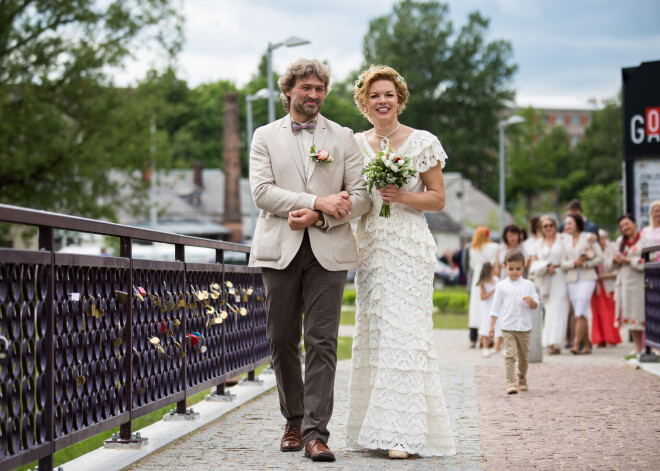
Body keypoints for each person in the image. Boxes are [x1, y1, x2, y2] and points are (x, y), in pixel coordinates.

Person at [249, 59, 371, 462]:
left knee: (322, 341)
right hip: (278, 249)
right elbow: (262, 193)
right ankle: (294, 421)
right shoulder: (264, 136)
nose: (313, 95)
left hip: (328, 249)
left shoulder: (343, 137)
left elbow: (362, 196)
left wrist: (320, 216)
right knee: (282, 338)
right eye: (306, 88)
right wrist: (315, 200)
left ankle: (317, 432)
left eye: (319, 88)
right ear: (288, 91)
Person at [346, 64, 455, 460]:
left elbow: (438, 198)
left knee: (405, 336)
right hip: (371, 248)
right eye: (374, 95)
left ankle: (402, 435)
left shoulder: (422, 142)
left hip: (408, 247)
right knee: (376, 335)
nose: (382, 101)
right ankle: (375, 428)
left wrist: (401, 196)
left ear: (400, 99)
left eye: (389, 94)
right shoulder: (355, 144)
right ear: (364, 102)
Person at [489, 249, 539, 394]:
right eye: (511, 269)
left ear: (523, 268)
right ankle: (510, 382)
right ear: (505, 267)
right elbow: (495, 307)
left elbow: (536, 304)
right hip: (508, 326)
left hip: (524, 327)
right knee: (510, 354)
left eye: (518, 269)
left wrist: (532, 302)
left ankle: (522, 378)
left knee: (523, 356)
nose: (514, 272)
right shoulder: (501, 286)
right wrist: (492, 326)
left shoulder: (529, 285)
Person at [560, 213, 603, 355]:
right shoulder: (564, 240)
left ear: (577, 224)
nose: (567, 226)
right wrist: (573, 263)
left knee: (580, 309)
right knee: (582, 312)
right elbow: (562, 263)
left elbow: (600, 257)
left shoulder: (589, 237)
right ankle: (587, 347)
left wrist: (585, 264)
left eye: (569, 223)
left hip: (587, 278)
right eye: (566, 224)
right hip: (572, 280)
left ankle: (576, 344)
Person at [529, 215, 569, 355]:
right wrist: (546, 266)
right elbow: (533, 263)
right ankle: (547, 342)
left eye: (551, 225)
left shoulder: (563, 239)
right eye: (545, 226)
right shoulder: (538, 243)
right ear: (541, 228)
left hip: (560, 275)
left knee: (559, 307)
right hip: (545, 277)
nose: (548, 228)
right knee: (548, 309)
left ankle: (556, 342)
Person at [612, 214, 647, 356]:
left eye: (627, 224)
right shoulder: (620, 241)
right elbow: (611, 264)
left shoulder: (645, 241)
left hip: (640, 282)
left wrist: (628, 260)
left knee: (642, 314)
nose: (625, 228)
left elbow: (648, 263)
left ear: (634, 223)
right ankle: (638, 347)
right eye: (622, 226)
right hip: (624, 283)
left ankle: (650, 348)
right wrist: (616, 260)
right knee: (630, 315)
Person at [467, 226, 499, 347]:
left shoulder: (473, 249)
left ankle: (474, 338)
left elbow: (472, 265)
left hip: (478, 277)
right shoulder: (494, 247)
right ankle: (486, 336)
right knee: (490, 306)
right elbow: (496, 263)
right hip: (490, 277)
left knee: (476, 307)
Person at [590, 229, 621, 347]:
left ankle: (611, 337)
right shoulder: (593, 249)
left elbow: (618, 269)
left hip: (609, 285)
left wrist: (604, 276)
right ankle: (599, 338)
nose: (601, 241)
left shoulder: (612, 248)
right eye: (599, 239)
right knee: (597, 313)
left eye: (603, 238)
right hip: (596, 287)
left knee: (609, 313)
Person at [476, 262, 501, 357]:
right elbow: (482, 297)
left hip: (496, 305)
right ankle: (485, 348)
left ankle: (496, 346)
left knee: (499, 325)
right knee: (486, 326)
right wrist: (493, 291)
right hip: (487, 307)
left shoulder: (496, 280)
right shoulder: (484, 283)